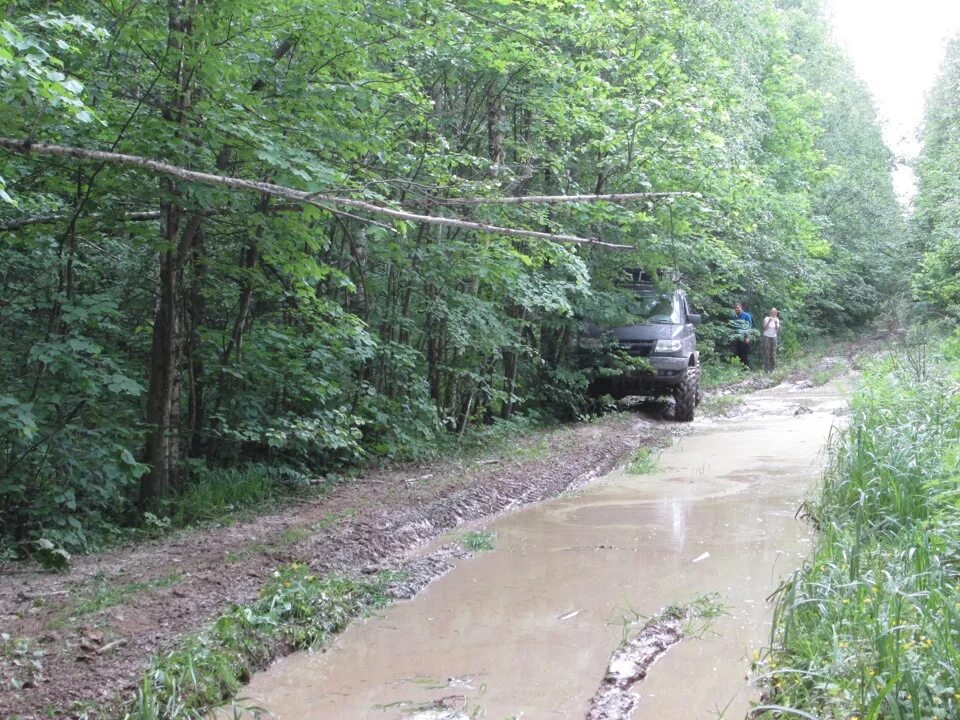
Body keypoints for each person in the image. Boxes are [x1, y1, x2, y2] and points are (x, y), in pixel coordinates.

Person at [732, 302, 753, 367]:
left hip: (745, 338)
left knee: (744, 355)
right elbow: (733, 327)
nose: (736, 309)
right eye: (735, 308)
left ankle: (746, 369)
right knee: (738, 354)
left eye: (738, 307)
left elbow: (749, 326)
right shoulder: (735, 317)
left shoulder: (746, 316)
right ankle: (740, 370)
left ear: (741, 307)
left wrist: (747, 337)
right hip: (737, 338)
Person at [762, 307, 781, 372]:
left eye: (775, 312)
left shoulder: (777, 319)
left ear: (776, 313)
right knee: (766, 353)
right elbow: (765, 328)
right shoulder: (767, 318)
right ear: (770, 313)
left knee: (773, 353)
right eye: (772, 312)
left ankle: (772, 369)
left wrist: (776, 323)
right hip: (766, 337)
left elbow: (777, 331)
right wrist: (769, 321)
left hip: (774, 337)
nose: (773, 313)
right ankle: (766, 369)